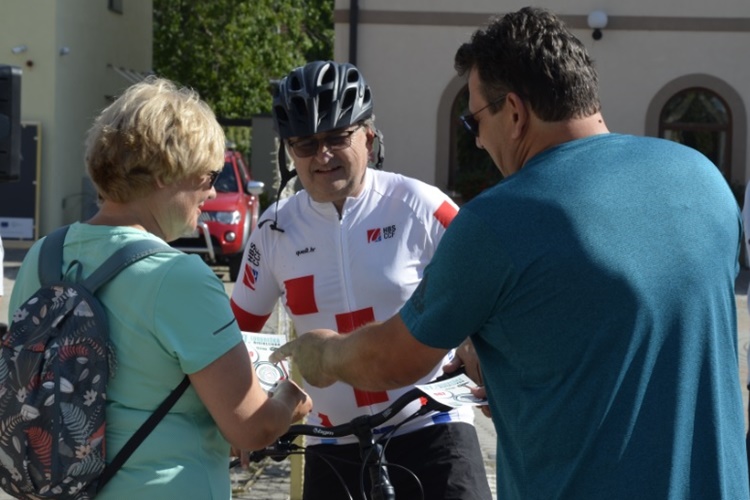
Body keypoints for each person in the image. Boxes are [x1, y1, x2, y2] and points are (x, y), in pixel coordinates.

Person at [270, 8, 750, 499]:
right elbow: (621, 329)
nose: (476, 139)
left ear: (515, 113)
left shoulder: (501, 220)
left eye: (473, 119)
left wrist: (322, 353)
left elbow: (393, 359)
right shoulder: (705, 180)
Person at [8, 77, 312, 499]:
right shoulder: (179, 278)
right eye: (207, 176)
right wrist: (291, 400)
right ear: (164, 174)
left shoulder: (43, 257)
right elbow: (252, 425)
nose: (210, 190)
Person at [230, 60, 492, 499]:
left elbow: (495, 286)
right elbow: (237, 334)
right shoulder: (273, 231)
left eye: (337, 137)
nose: (323, 155)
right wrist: (242, 413)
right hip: (330, 443)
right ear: (289, 152)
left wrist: (476, 341)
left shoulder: (419, 205)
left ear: (368, 138)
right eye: (306, 144)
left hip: (431, 426)